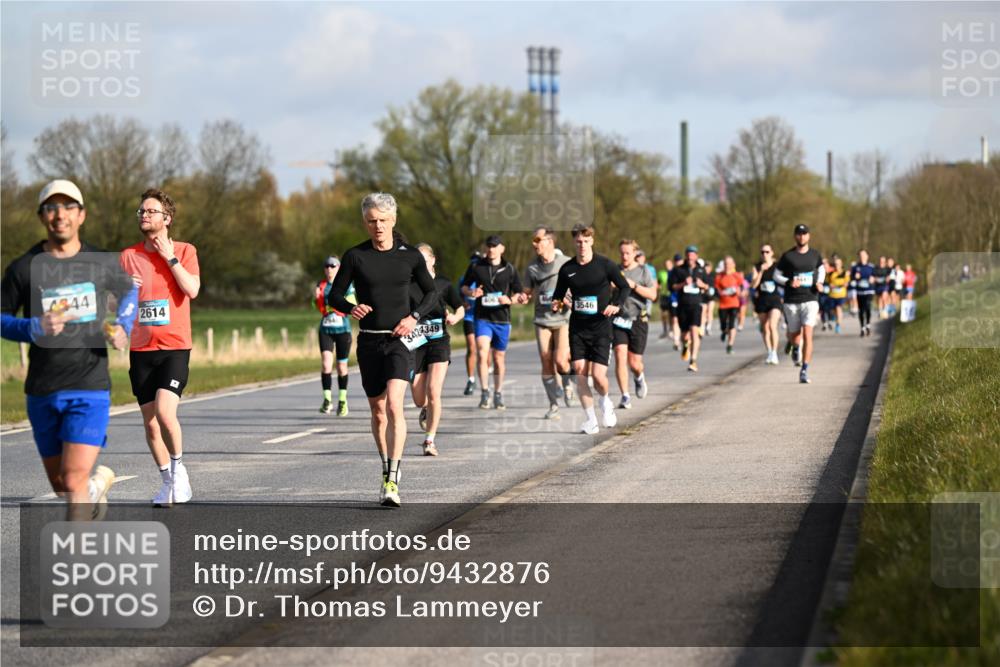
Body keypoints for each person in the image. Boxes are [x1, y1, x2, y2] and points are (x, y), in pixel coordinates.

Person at [1, 179, 137, 519]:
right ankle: (94, 489)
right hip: (42, 389)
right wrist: (32, 327)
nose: (60, 215)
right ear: (42, 216)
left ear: (81, 215)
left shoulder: (100, 262)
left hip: (89, 385)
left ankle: (75, 563)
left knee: (74, 478)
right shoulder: (23, 267)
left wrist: (123, 326)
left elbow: (130, 293)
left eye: (68, 207)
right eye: (51, 207)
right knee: (64, 484)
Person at [326, 193, 438, 508]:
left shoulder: (410, 256)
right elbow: (334, 295)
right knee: (377, 411)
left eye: (383, 220)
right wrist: (351, 307)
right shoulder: (355, 256)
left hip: (400, 342)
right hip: (370, 341)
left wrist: (413, 317)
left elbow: (431, 295)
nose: (378, 226)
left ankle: (393, 477)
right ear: (366, 222)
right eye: (372, 221)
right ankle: (385, 464)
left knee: (393, 406)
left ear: (393, 221)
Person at [120, 188, 200, 506]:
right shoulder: (128, 257)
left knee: (166, 414)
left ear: (166, 218)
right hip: (141, 350)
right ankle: (167, 480)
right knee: (151, 424)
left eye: (150, 211)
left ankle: (180, 473)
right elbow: (116, 305)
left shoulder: (185, 250)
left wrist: (170, 258)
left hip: (175, 347)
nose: (144, 215)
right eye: (141, 211)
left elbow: (191, 289)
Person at [551, 224, 630, 434]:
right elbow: (558, 296)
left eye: (586, 241)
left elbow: (624, 287)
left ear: (592, 241)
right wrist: (557, 303)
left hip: (601, 328)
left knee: (598, 376)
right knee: (579, 372)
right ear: (574, 243)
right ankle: (591, 420)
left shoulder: (605, 264)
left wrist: (617, 305)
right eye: (578, 241)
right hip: (578, 328)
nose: (582, 245)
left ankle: (605, 401)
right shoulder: (567, 269)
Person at [408, 243, 464, 456]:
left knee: (434, 391)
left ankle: (429, 440)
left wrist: (454, 317)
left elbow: (460, 308)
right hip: (416, 343)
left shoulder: (443, 284)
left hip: (439, 341)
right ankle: (425, 409)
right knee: (419, 398)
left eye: (424, 259)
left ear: (433, 260)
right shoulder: (409, 285)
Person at [460, 235, 527, 411]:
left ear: (502, 249)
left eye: (495, 246)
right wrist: (471, 291)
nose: (491, 249)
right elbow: (464, 287)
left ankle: (498, 393)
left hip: (502, 319)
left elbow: (520, 293)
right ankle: (484, 393)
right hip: (482, 318)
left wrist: (510, 300)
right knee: (482, 353)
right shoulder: (476, 266)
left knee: (498, 358)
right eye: (489, 246)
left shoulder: (510, 269)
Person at [522, 226, 574, 420]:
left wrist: (568, 298)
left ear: (550, 242)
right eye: (533, 240)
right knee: (546, 360)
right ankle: (553, 405)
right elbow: (527, 291)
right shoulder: (532, 267)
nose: (534, 244)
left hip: (563, 319)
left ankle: (567, 381)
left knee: (561, 361)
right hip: (542, 319)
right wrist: (522, 296)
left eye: (538, 240)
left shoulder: (567, 263)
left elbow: (577, 287)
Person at [774, 224, 825, 384]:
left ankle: (804, 370)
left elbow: (821, 269)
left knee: (808, 334)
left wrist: (820, 282)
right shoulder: (787, 256)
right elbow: (776, 275)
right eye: (799, 234)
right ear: (795, 236)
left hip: (810, 299)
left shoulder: (815, 255)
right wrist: (789, 281)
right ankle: (795, 347)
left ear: (808, 236)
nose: (802, 237)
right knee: (795, 335)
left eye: (804, 234)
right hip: (792, 301)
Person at [613, 239, 657, 409]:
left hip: (638, 319)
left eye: (628, 253)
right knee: (619, 353)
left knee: (634, 364)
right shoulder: (615, 270)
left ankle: (638, 377)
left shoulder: (643, 271)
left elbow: (652, 295)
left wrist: (633, 286)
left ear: (634, 254)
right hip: (618, 318)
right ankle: (625, 396)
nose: (624, 256)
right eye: (622, 253)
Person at [313, 256, 354, 416]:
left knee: (342, 366)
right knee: (326, 365)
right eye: (327, 266)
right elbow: (319, 308)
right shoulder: (321, 285)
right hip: (326, 330)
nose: (329, 269)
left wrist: (337, 308)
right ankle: (327, 400)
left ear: (339, 268)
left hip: (343, 330)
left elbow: (351, 306)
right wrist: (317, 299)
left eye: (333, 266)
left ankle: (342, 401)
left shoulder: (346, 285)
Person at [672, 245, 710, 372]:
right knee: (684, 335)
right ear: (686, 255)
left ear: (696, 256)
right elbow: (672, 287)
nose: (690, 256)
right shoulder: (678, 270)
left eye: (692, 254)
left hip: (696, 305)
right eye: (688, 254)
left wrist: (702, 285)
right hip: (682, 305)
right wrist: (683, 283)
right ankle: (685, 345)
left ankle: (693, 360)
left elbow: (708, 287)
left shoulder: (701, 270)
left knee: (694, 331)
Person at [751, 244, 783, 364]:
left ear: (772, 253)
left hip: (775, 299)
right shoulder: (757, 267)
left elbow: (783, 280)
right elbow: (754, 285)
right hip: (762, 300)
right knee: (764, 328)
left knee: (772, 326)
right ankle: (769, 351)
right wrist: (761, 271)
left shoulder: (777, 266)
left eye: (767, 252)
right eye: (762, 252)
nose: (765, 254)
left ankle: (774, 353)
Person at [461, 251, 481, 396]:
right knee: (472, 348)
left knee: (483, 350)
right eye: (472, 261)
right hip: (469, 318)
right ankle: (471, 379)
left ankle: (485, 374)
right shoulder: (464, 280)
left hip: (482, 318)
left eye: (477, 261)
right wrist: (463, 303)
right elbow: (455, 297)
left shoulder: (485, 279)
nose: (474, 264)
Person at [714, 256, 743, 354]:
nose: (727, 265)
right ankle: (724, 331)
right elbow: (716, 289)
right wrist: (720, 293)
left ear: (733, 265)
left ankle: (730, 345)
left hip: (734, 303)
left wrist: (739, 291)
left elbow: (742, 288)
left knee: (732, 324)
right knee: (723, 325)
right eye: (726, 264)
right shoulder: (719, 276)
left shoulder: (737, 276)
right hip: (723, 304)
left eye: (729, 263)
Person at [851, 249, 876, 337]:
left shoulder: (871, 267)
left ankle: (868, 324)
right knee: (861, 310)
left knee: (868, 307)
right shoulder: (855, 267)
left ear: (867, 256)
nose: (862, 257)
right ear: (859, 257)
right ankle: (862, 327)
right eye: (860, 255)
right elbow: (851, 278)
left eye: (864, 255)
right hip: (860, 291)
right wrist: (855, 277)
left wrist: (873, 279)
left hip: (869, 290)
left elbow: (875, 277)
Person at [826, 256, 850, 334]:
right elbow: (828, 282)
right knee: (834, 310)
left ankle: (838, 325)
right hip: (832, 295)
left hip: (841, 295)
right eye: (836, 264)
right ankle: (835, 319)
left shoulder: (845, 273)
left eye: (838, 264)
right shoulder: (831, 273)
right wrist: (830, 285)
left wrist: (842, 285)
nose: (837, 265)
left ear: (841, 264)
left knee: (838, 308)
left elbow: (846, 283)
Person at [657, 258, 673, 339]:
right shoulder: (661, 273)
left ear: (671, 264)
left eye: (669, 264)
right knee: (663, 314)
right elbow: (658, 283)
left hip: (671, 295)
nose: (667, 266)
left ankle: (671, 330)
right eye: (666, 264)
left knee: (671, 314)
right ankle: (665, 330)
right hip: (663, 295)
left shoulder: (673, 272)